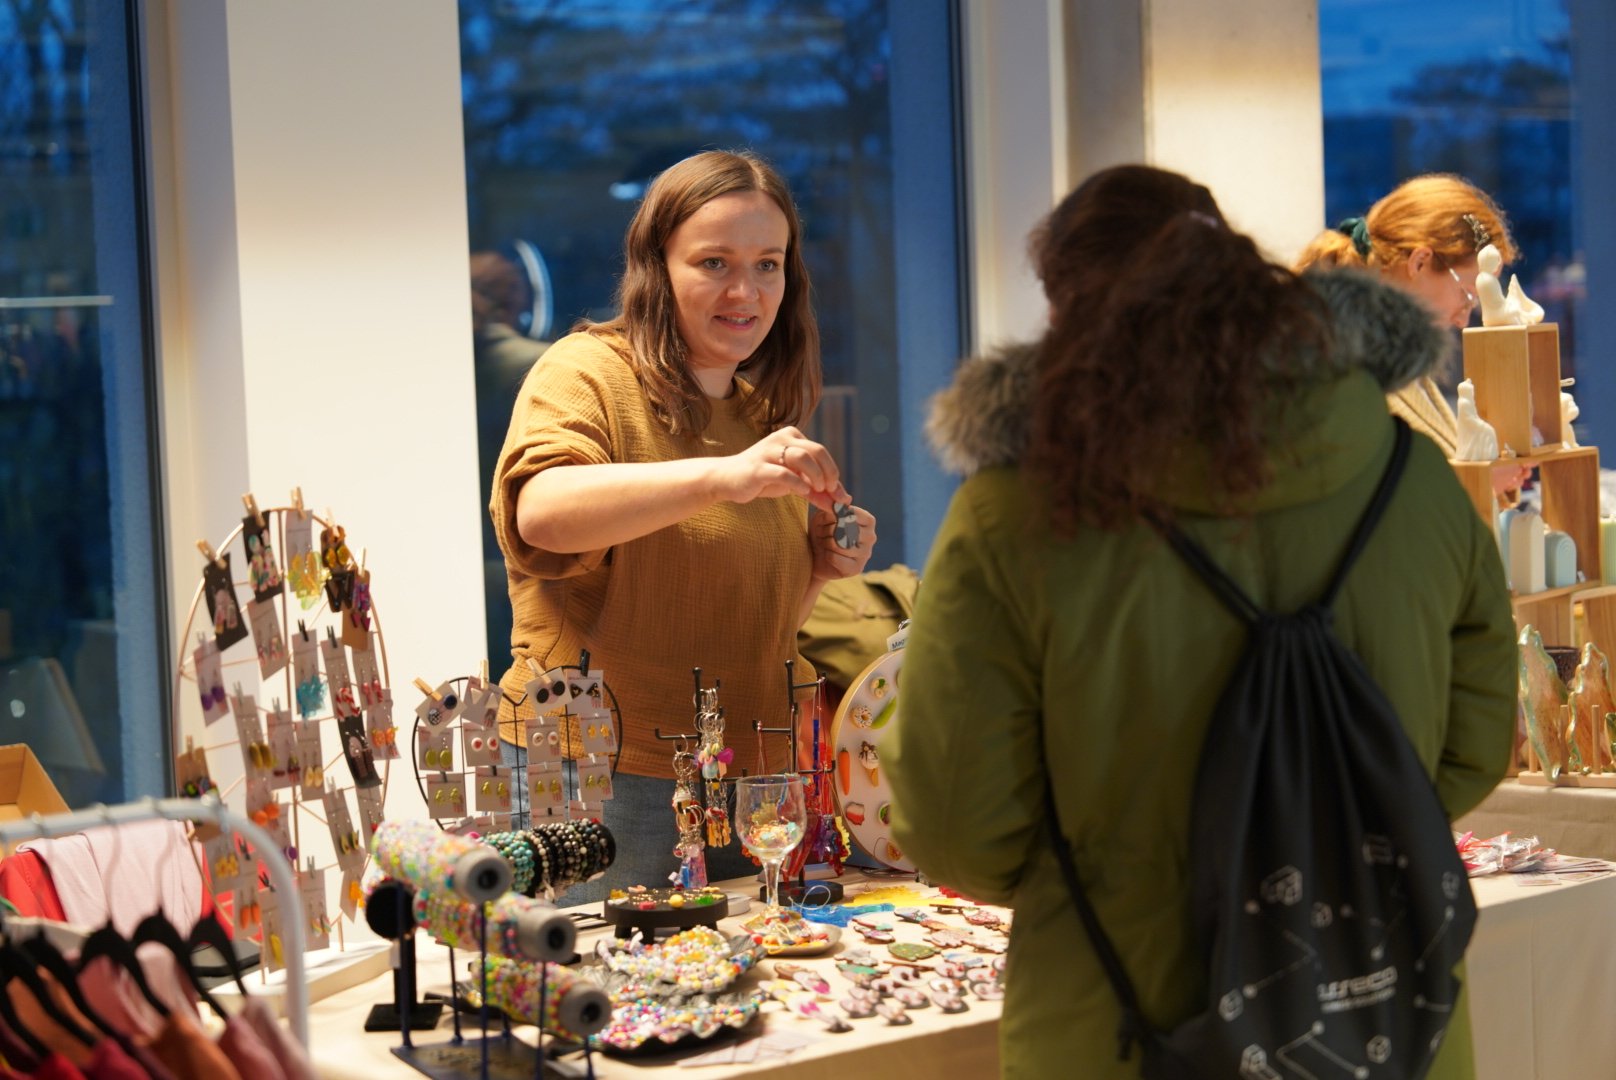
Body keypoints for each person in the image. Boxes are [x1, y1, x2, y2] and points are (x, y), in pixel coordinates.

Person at [885, 165, 1515, 1079]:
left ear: (1072, 315)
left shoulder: (1015, 515)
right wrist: (1334, 823)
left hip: (1128, 1019)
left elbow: (957, 824)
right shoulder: (1411, 476)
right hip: (1379, 1008)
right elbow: (1476, 742)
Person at [489, 150, 876, 901]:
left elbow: (751, 630)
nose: (745, 291)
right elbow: (540, 514)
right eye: (713, 262)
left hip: (748, 784)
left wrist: (820, 571)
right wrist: (722, 477)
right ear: (655, 266)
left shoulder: (760, 415)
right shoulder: (585, 371)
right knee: (608, 972)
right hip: (602, 777)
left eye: (768, 265)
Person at [1295, 174, 1528, 497]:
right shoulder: (1337, 360)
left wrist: (1488, 478)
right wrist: (1480, 483)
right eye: (1467, 296)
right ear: (1420, 262)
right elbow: (1359, 496)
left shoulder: (1394, 359)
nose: (1463, 319)